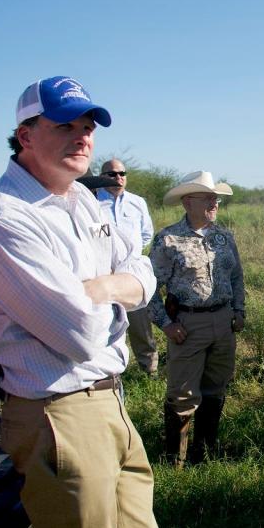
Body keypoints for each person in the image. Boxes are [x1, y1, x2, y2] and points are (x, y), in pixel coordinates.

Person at [0, 76, 167, 528]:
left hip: (110, 401)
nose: (83, 137)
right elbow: (78, 332)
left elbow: (143, 267)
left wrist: (103, 288)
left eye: (89, 126)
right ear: (26, 135)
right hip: (60, 414)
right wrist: (119, 295)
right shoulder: (3, 217)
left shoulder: (80, 201)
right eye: (66, 125)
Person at [149, 171, 245, 466]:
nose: (214, 202)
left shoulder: (224, 237)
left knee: (216, 387)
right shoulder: (168, 240)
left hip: (223, 322)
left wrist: (239, 310)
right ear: (188, 202)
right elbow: (148, 288)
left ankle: (203, 453)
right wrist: (166, 324)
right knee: (182, 394)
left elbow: (237, 277)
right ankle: (173, 460)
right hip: (188, 325)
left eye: (216, 197)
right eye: (208, 197)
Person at [98, 158, 159, 376]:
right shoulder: (92, 202)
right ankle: (110, 373)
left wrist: (130, 256)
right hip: (103, 276)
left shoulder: (137, 202)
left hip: (132, 275)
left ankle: (149, 370)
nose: (118, 178)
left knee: (141, 327)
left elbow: (146, 233)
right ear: (101, 176)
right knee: (105, 326)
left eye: (122, 173)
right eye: (112, 174)